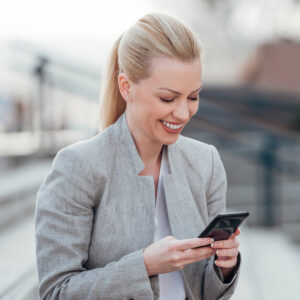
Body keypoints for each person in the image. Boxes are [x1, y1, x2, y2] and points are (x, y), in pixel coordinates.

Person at [35, 12, 241, 300]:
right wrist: (144, 266)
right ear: (126, 87)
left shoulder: (205, 163)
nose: (183, 113)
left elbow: (208, 292)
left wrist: (226, 267)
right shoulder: (78, 167)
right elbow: (57, 292)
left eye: (193, 96)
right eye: (168, 98)